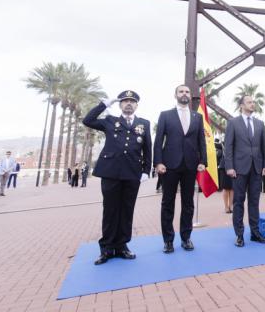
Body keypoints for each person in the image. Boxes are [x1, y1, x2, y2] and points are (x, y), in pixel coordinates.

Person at [82, 90, 152, 265]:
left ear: (137, 105)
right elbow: (87, 120)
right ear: (120, 104)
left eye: (132, 101)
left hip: (132, 173)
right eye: (125, 101)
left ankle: (122, 246)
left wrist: (146, 170)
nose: (129, 103)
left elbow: (147, 149)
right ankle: (106, 248)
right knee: (110, 210)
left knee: (127, 210)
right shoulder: (110, 121)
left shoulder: (144, 124)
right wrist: (104, 104)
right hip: (111, 172)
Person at [154, 85, 207, 254]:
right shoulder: (165, 115)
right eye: (181, 92)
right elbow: (158, 141)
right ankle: (168, 241)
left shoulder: (197, 117)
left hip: (190, 165)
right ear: (175, 95)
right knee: (167, 203)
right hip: (169, 165)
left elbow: (201, 142)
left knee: (188, 203)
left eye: (187, 92)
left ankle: (186, 238)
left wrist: (203, 161)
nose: (184, 94)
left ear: (190, 96)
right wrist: (158, 162)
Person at [223, 95, 265, 247]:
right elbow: (228, 146)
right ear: (242, 105)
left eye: (253, 102)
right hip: (239, 169)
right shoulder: (233, 123)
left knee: (254, 202)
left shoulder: (260, 124)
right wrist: (229, 166)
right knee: (238, 202)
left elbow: (264, 147)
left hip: (256, 168)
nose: (252, 104)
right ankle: (239, 235)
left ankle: (255, 233)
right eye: (249, 102)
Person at [216, 138, 234, 213]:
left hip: (234, 166)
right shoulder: (223, 143)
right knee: (226, 188)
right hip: (225, 166)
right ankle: (226, 207)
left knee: (233, 188)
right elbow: (217, 144)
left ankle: (231, 206)